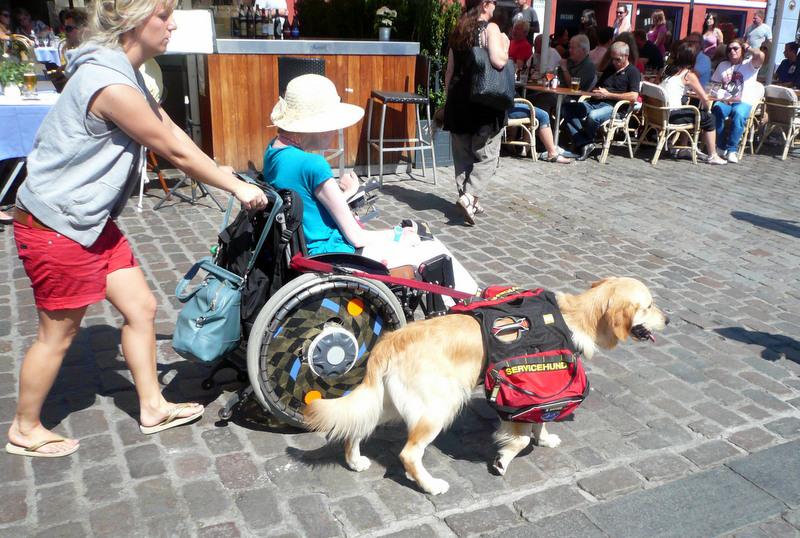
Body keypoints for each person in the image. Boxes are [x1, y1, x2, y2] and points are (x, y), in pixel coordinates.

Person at [5, 0, 268, 458]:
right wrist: (235, 188)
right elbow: (173, 151)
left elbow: (173, 132)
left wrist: (220, 170)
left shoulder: (125, 73)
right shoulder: (109, 83)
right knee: (58, 335)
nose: (173, 24)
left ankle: (151, 406)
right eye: (163, 16)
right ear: (132, 23)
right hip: (57, 226)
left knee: (141, 307)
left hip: (87, 222)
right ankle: (24, 429)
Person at [263, 74, 479, 296]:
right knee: (429, 246)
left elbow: (305, 204)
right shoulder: (313, 165)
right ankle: (475, 306)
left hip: (304, 252)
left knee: (419, 238)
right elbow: (357, 237)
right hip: (331, 256)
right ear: (314, 126)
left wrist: (346, 193)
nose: (335, 131)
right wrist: (398, 234)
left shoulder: (273, 152)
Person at [444, 0, 509, 226]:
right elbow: (498, 61)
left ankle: (468, 197)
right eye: (493, 3)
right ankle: (470, 196)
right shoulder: (490, 29)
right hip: (483, 101)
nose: (495, 7)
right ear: (484, 5)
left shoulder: (458, 31)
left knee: (462, 153)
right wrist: (505, 44)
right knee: (487, 153)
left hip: (458, 99)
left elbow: (449, 70)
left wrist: (447, 100)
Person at [562, 41, 641, 161]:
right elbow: (597, 87)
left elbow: (633, 96)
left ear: (626, 56)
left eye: (617, 59)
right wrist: (597, 92)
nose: (614, 62)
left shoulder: (633, 72)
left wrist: (608, 95)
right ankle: (585, 143)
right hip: (596, 102)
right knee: (567, 108)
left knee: (593, 116)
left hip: (614, 108)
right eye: (612, 59)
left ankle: (583, 142)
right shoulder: (610, 69)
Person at [659, 41, 727, 165]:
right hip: (672, 116)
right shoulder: (688, 75)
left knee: (692, 112)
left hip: (659, 113)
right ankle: (713, 155)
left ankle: (683, 147)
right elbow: (704, 98)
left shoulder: (667, 70)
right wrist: (707, 109)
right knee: (709, 118)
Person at [710, 39, 765, 163]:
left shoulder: (750, 64)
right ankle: (720, 146)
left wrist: (748, 47)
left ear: (743, 50)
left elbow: (760, 55)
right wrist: (717, 94)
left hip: (743, 101)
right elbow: (714, 84)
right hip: (725, 101)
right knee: (716, 109)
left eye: (736, 48)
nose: (732, 51)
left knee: (739, 115)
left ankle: (732, 150)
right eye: (729, 49)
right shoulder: (723, 65)